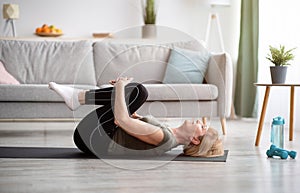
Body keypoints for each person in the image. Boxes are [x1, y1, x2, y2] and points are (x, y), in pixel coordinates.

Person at [48, 77, 224, 157]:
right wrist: (135, 116)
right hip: (97, 136)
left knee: (138, 91)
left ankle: (78, 97)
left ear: (194, 140)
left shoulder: (165, 138)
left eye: (203, 127)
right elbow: (128, 124)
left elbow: (121, 120)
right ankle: (77, 97)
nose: (201, 122)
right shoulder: (169, 133)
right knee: (134, 92)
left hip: (91, 139)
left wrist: (119, 88)